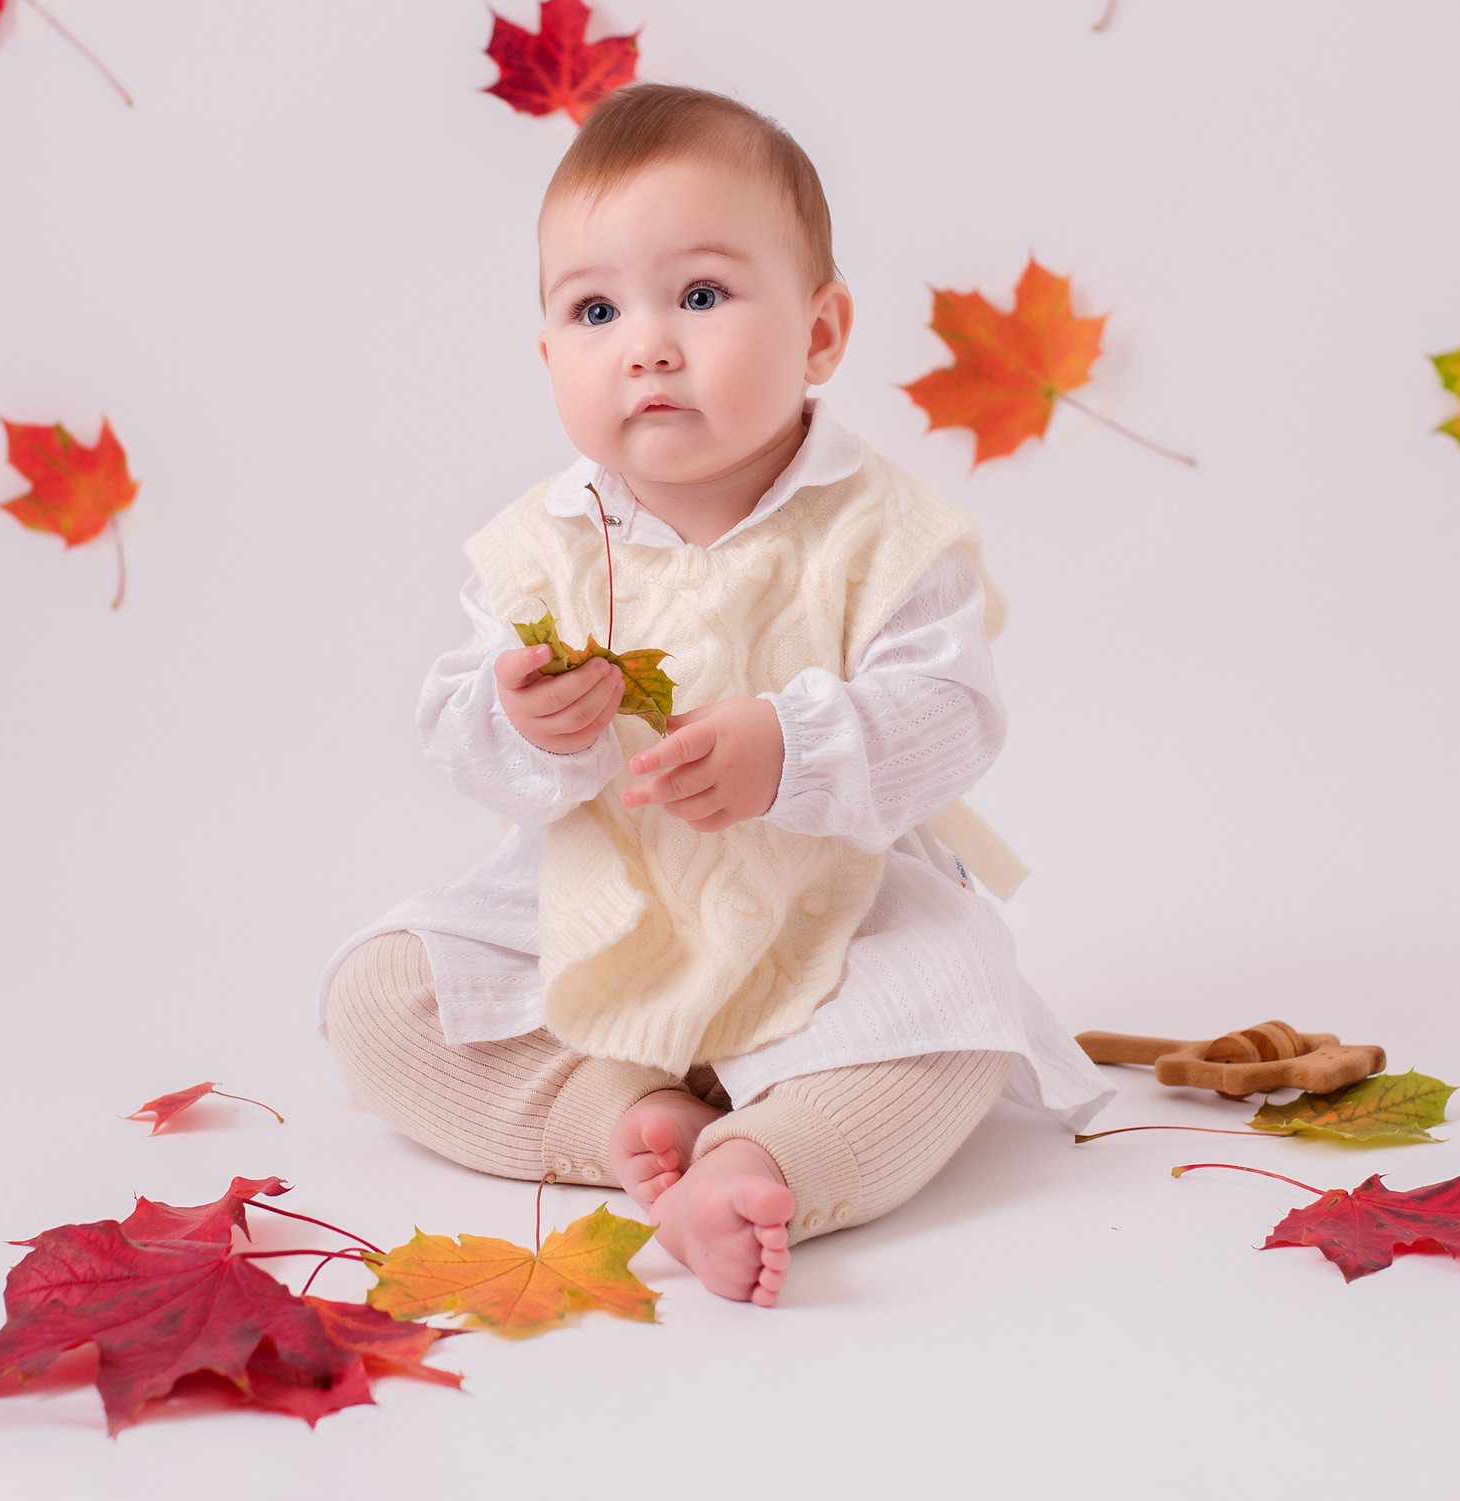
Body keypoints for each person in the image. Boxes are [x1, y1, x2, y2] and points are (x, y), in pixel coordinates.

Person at [321, 85, 1112, 1307]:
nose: (646, 343)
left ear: (821, 331)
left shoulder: (884, 533)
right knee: (377, 996)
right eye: (594, 309)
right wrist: (516, 717)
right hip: (598, 902)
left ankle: (761, 1156)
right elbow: (455, 737)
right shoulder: (544, 542)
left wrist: (792, 752)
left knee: (964, 1010)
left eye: (700, 295)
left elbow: (954, 712)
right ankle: (617, 1109)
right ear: (548, 354)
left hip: (827, 910)